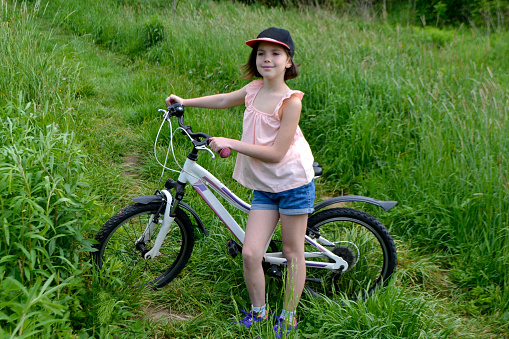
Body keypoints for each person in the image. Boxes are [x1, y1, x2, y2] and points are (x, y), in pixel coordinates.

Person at [165, 27, 315, 338]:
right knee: (250, 253)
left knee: (291, 251)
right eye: (261, 53)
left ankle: (288, 316)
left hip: (292, 183)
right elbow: (222, 100)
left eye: (276, 53)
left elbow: (275, 154)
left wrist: (232, 143)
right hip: (266, 185)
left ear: (289, 61)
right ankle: (258, 312)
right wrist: (185, 101)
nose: (267, 59)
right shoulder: (253, 90)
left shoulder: (291, 102)